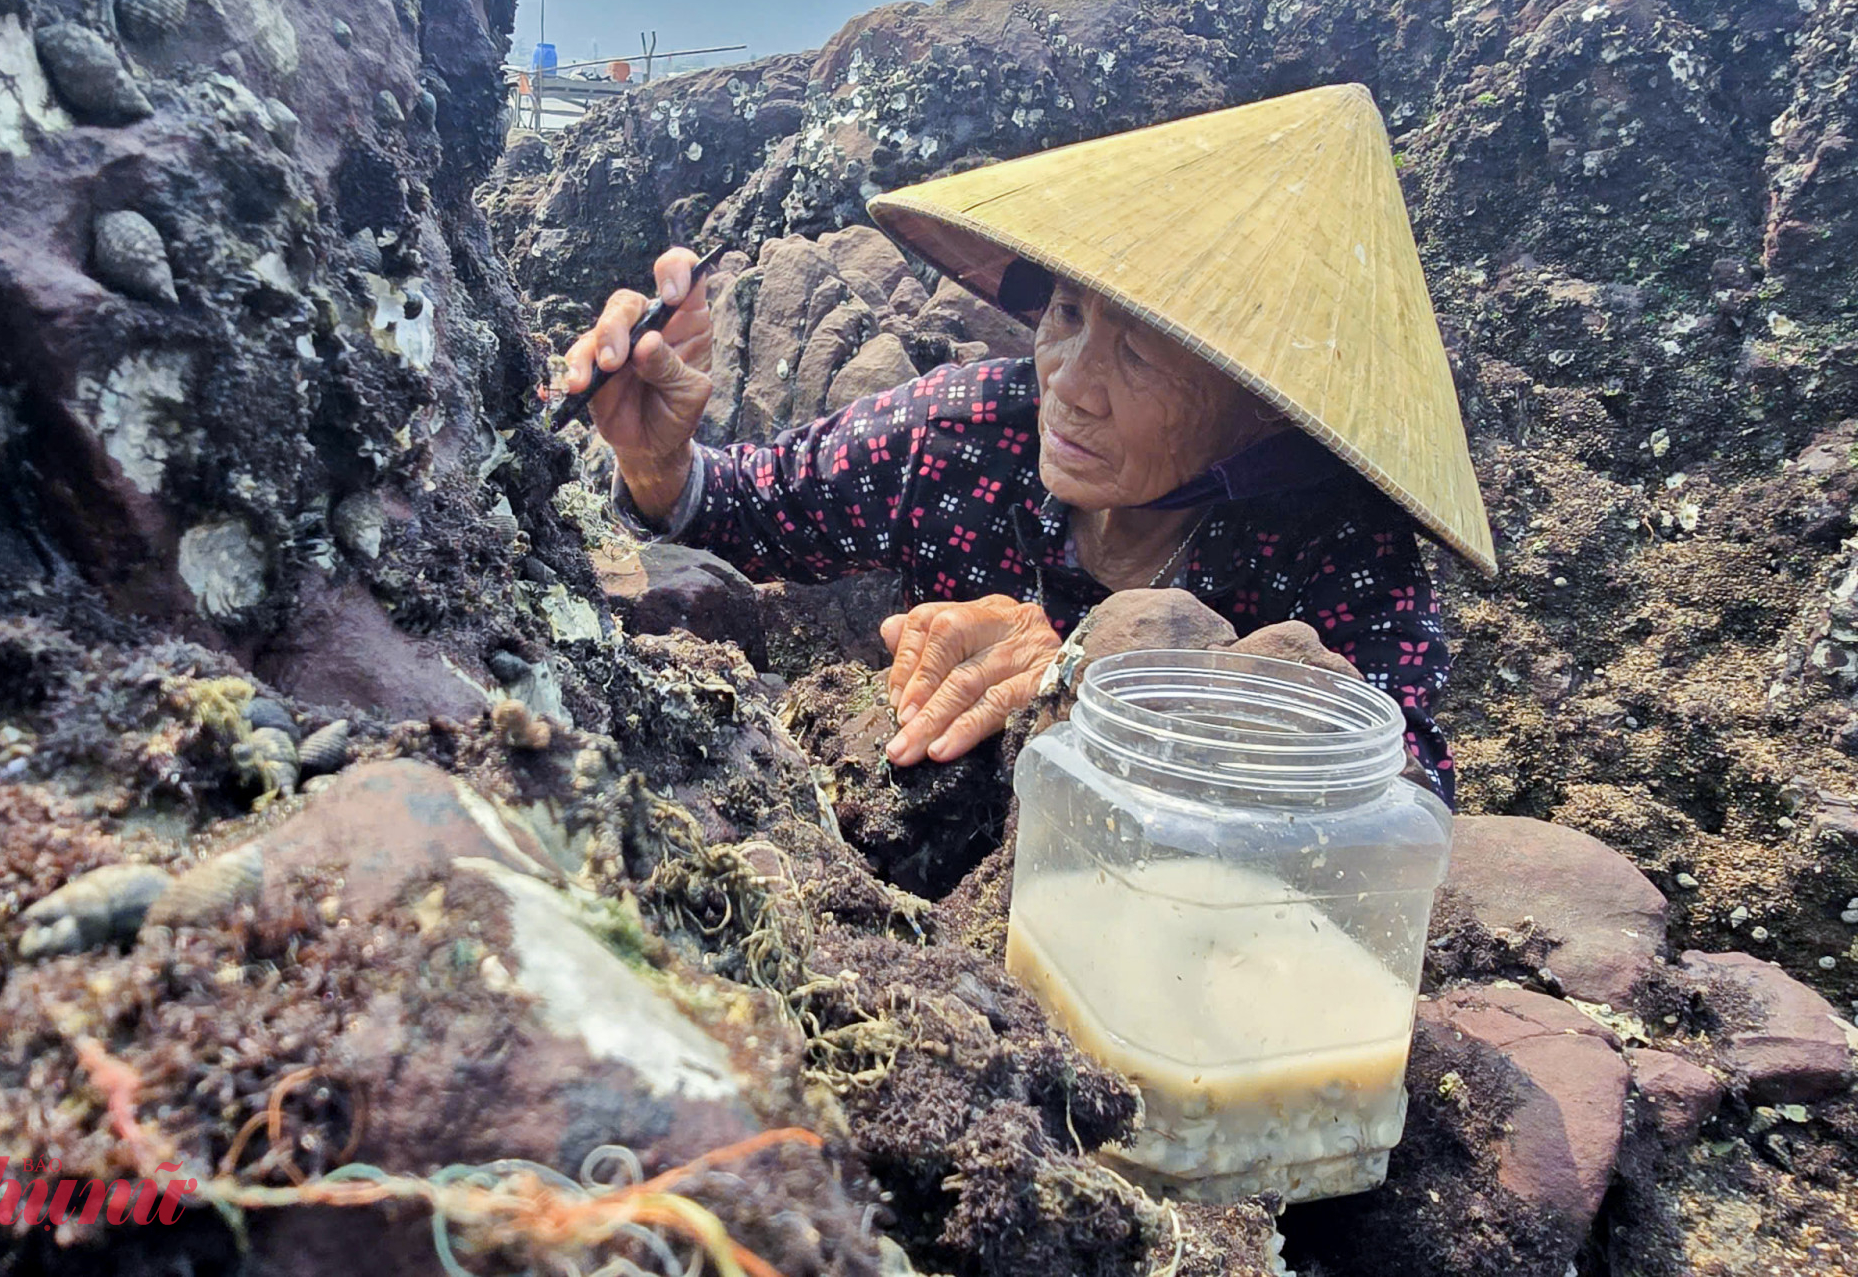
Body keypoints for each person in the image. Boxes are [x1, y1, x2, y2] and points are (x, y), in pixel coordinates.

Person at [562, 85, 1496, 806]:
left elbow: (1403, 784)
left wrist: (1101, 672)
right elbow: (754, 506)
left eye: (1139, 355)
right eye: (1064, 313)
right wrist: (657, 460)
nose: (1070, 385)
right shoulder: (964, 434)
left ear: (1265, 411)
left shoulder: (1335, 546)